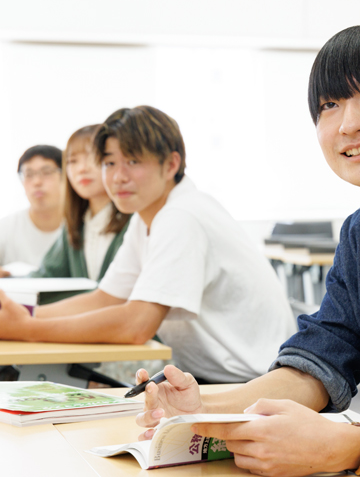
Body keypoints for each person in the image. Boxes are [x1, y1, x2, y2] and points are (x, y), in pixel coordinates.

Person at [133, 26, 360, 475]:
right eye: (330, 104)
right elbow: (319, 362)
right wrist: (205, 407)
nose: (349, 124)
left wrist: (346, 444)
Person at [0, 106, 296, 384]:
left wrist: (28, 329)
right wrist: (25, 316)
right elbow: (106, 298)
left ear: (171, 164)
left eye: (133, 161)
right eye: (109, 163)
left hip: (250, 383)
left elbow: (136, 325)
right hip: (205, 376)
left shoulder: (181, 215)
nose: (118, 176)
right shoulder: (147, 215)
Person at [29, 125, 130, 304]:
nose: (81, 169)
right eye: (72, 161)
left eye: (92, 157)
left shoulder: (135, 220)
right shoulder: (77, 224)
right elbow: (46, 275)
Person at [0, 144, 63, 277]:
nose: (37, 182)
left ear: (66, 177)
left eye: (47, 173)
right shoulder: (6, 227)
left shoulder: (82, 227)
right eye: (28, 175)